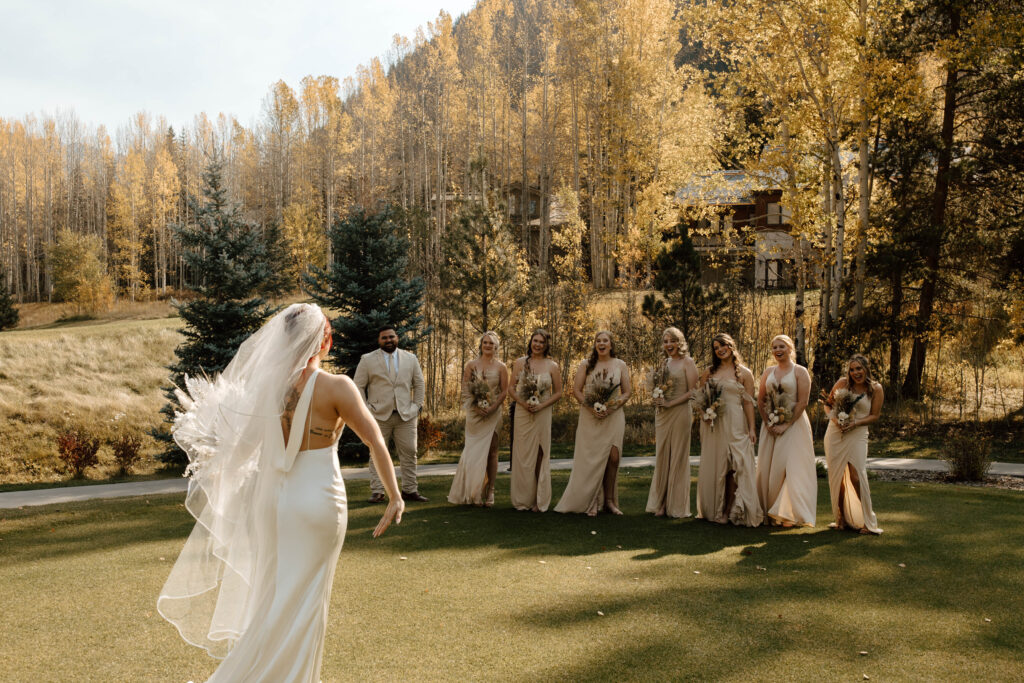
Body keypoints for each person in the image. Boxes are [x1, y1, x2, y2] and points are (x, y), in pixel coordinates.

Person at [159, 303, 403, 683]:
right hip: (318, 500)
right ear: (323, 340)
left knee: (272, 595)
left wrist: (216, 476)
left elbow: (240, 452)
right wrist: (395, 495)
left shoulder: (270, 388)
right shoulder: (338, 386)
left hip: (273, 503)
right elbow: (375, 440)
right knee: (307, 598)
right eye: (328, 333)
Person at [556, 330, 632, 517]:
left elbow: (627, 392)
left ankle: (609, 501)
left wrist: (613, 406)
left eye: (605, 340)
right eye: (598, 340)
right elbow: (576, 390)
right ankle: (592, 501)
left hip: (613, 416)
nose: (601, 343)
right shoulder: (586, 365)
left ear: (611, 344)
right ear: (595, 344)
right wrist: (592, 408)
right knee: (592, 460)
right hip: (590, 417)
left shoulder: (620, 364)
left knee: (613, 457)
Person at [695, 332, 763, 527]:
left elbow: (748, 403)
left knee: (735, 466)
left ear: (731, 346)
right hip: (713, 424)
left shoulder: (745, 373)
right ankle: (715, 508)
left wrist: (752, 428)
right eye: (716, 348)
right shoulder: (709, 372)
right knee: (718, 467)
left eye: (722, 345)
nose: (720, 350)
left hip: (735, 422)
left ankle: (728, 511)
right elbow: (700, 399)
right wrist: (704, 415)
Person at [353, 325, 427, 503]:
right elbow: (358, 386)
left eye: (391, 337)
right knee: (376, 452)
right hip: (378, 415)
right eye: (384, 338)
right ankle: (378, 491)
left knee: (410, 452)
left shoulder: (410, 358)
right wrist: (366, 409)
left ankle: (410, 490)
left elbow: (419, 384)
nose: (389, 340)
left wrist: (416, 406)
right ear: (379, 340)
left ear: (397, 338)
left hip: (406, 415)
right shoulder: (367, 359)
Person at [755, 334, 816, 527]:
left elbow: (802, 401)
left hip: (794, 426)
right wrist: (767, 422)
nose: (778, 350)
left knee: (789, 467)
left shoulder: (800, 371)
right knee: (768, 467)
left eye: (781, 346)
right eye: (774, 347)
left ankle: (787, 513)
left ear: (790, 348)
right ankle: (769, 511)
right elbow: (761, 399)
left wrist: (785, 424)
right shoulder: (768, 371)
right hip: (770, 426)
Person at [823, 354, 885, 534]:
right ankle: (841, 518)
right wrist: (836, 421)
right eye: (852, 369)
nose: (855, 372)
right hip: (836, 434)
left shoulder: (875, 389)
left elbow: (874, 416)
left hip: (857, 433)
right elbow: (828, 405)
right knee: (837, 477)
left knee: (857, 476)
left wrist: (854, 423)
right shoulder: (843, 383)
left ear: (866, 369)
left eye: (859, 368)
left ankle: (867, 521)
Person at [448, 331, 509, 506]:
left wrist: (492, 407)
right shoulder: (471, 365)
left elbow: (504, 391)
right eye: (485, 343)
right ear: (481, 345)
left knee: (492, 453)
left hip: (494, 413)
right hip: (474, 415)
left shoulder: (501, 367)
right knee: (473, 452)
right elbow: (465, 388)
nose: (488, 346)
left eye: (491, 343)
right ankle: (473, 492)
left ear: (496, 347)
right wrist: (475, 406)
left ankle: (490, 490)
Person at [646, 327, 699, 518]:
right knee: (663, 456)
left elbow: (693, 392)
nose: (669, 345)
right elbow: (659, 386)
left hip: (680, 412)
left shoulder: (688, 362)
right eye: (666, 341)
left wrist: (670, 402)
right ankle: (660, 503)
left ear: (680, 342)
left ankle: (674, 505)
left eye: (672, 341)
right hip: (662, 415)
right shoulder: (664, 363)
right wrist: (656, 398)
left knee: (677, 456)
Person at [509, 329, 562, 512]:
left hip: (543, 412)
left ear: (546, 345)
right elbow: (511, 388)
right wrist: (522, 403)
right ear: (530, 342)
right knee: (523, 454)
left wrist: (541, 405)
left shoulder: (552, 366)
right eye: (535, 340)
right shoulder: (520, 363)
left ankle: (539, 500)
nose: (537, 344)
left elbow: (559, 393)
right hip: (523, 412)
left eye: (541, 342)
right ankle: (523, 499)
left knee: (540, 453)